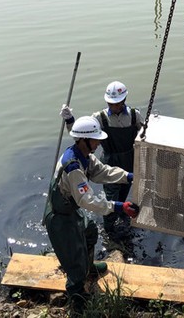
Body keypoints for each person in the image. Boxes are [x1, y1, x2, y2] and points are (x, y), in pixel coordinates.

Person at [43, 116, 140, 308]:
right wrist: (119, 206)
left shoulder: (85, 156)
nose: (99, 142)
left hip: (72, 209)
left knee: (90, 232)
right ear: (83, 140)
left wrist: (128, 177)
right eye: (96, 139)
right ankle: (77, 297)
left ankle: (89, 268)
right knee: (73, 263)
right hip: (61, 217)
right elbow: (87, 201)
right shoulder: (73, 166)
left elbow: (102, 172)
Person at [60, 81, 144, 234]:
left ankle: (121, 214)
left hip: (130, 160)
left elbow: (144, 137)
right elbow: (79, 132)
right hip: (110, 158)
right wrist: (70, 121)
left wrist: (130, 176)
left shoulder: (133, 115)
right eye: (111, 104)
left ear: (124, 100)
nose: (114, 107)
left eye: (117, 103)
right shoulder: (98, 119)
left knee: (124, 192)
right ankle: (110, 231)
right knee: (112, 196)